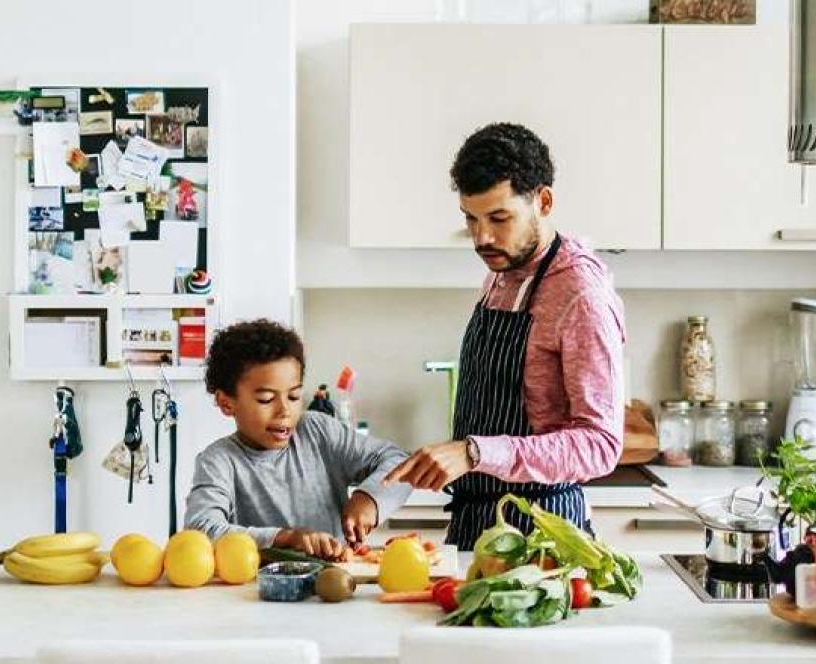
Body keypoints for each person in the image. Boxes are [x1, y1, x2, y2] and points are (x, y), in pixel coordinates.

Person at [385, 123, 627, 550]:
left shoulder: (581, 296)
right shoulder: (503, 270)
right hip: (477, 521)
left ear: (543, 201)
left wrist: (475, 453)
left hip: (540, 534)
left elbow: (600, 445)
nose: (482, 238)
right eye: (470, 219)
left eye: (499, 218)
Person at [185, 319, 412, 559]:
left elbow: (399, 462)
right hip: (256, 592)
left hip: (336, 585)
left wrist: (369, 498)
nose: (284, 411)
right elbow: (201, 529)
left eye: (293, 396)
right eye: (266, 399)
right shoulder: (218, 461)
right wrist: (286, 538)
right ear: (226, 403)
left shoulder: (317, 432)